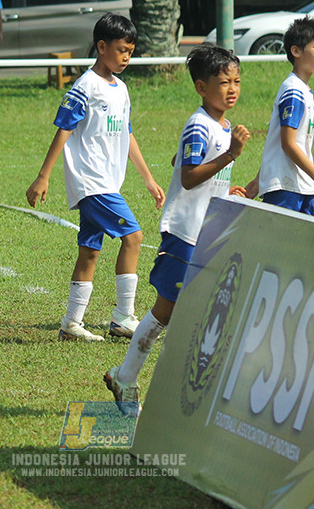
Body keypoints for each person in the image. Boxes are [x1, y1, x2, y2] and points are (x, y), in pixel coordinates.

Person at [104, 44, 250, 415]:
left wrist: (225, 188)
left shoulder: (221, 126)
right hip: (184, 233)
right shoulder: (200, 125)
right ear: (201, 87)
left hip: (206, 233)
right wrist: (230, 155)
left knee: (200, 311)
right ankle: (125, 377)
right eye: (223, 82)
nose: (232, 89)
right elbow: (187, 176)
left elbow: (187, 165)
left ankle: (165, 385)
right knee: (165, 311)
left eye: (236, 81)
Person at [26, 13, 165, 342]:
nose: (126, 57)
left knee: (89, 251)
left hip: (106, 182)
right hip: (92, 182)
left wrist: (148, 178)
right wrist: (43, 176)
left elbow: (127, 133)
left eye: (131, 51)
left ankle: (71, 324)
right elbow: (64, 129)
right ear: (102, 47)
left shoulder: (121, 89)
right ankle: (124, 317)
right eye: (121, 50)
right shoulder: (85, 86)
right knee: (133, 237)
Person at [245, 17, 314, 219]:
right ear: (296, 51)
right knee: (280, 238)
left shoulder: (303, 90)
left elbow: (276, 142)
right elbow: (288, 143)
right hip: (285, 184)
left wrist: (257, 180)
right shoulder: (293, 92)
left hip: (305, 182)